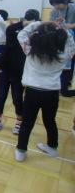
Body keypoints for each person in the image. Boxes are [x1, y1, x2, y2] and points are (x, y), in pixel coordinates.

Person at [15, 21, 75, 162]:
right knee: (50, 121)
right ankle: (52, 147)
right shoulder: (62, 55)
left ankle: (21, 151)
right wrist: (64, 29)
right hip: (51, 93)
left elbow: (22, 34)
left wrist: (41, 23)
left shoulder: (30, 50)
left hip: (32, 93)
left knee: (27, 122)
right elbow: (72, 45)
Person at [0, 9, 40, 134]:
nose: (30, 26)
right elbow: (9, 48)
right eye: (28, 23)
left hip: (20, 71)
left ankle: (19, 121)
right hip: (6, 68)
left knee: (17, 98)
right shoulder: (12, 29)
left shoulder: (37, 32)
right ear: (24, 19)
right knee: (1, 96)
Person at [49, 0, 75, 96]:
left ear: (65, 1)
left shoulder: (73, 8)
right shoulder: (54, 11)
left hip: (72, 36)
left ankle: (67, 82)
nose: (56, 7)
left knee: (71, 60)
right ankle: (63, 83)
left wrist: (70, 26)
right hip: (61, 39)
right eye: (54, 5)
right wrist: (56, 23)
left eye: (57, 4)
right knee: (64, 60)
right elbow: (51, 23)